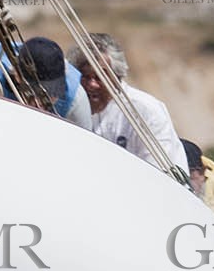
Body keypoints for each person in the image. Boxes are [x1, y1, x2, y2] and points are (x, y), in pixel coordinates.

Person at [67, 33, 187, 172]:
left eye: (100, 77)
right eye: (85, 77)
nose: (91, 84)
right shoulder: (71, 107)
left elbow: (157, 171)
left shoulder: (144, 111)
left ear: (118, 77)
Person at [0, 36, 92, 128]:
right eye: (35, 92)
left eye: (51, 94)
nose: (40, 104)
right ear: (17, 75)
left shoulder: (75, 98)